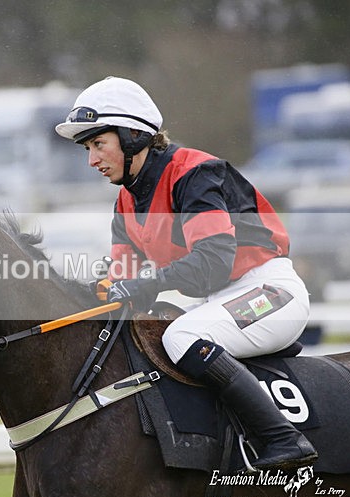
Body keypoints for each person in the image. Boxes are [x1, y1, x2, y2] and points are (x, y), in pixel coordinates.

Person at [55, 76, 317, 471]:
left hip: (270, 294)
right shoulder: (127, 201)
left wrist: (142, 284)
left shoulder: (193, 174)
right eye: (88, 148)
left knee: (182, 335)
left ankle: (283, 438)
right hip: (220, 301)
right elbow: (119, 278)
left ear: (131, 136)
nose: (92, 159)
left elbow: (211, 262)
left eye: (97, 144)